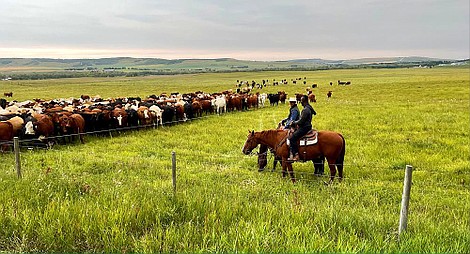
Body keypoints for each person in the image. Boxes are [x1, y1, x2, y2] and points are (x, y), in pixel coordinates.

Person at [289, 95, 316, 161]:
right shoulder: (309, 108)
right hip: (308, 126)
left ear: (304, 101)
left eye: (301, 101)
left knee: (292, 138)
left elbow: (301, 121)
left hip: (304, 128)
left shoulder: (306, 110)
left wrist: (294, 123)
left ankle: (296, 154)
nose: (300, 102)